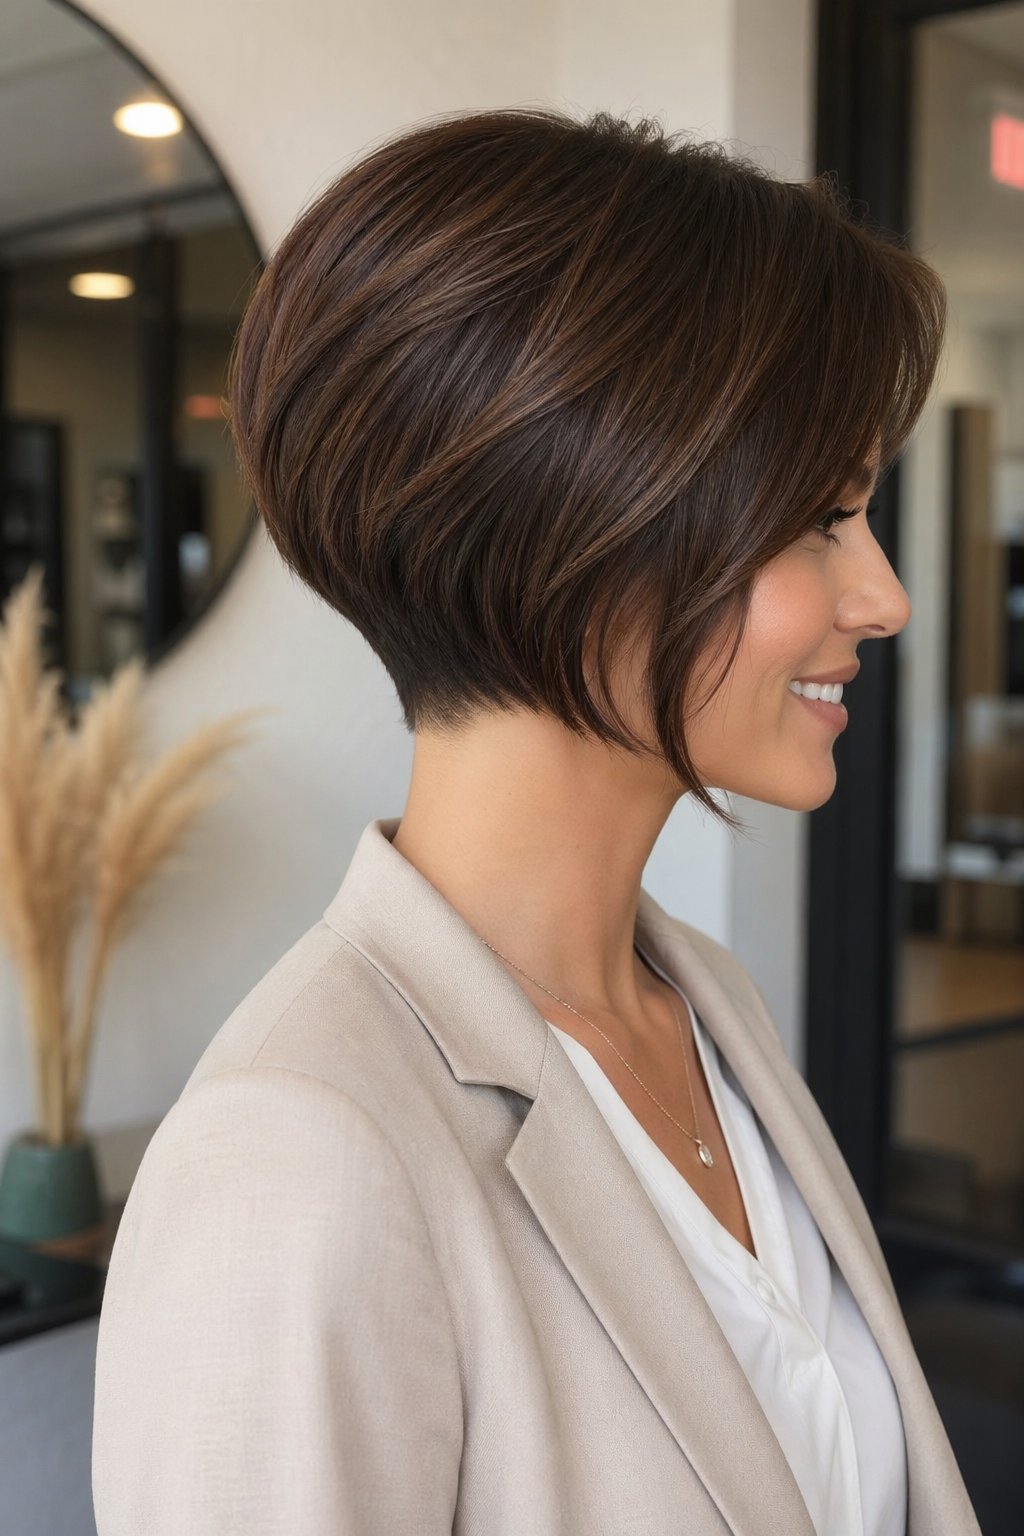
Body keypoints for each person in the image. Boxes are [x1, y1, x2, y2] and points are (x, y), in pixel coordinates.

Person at [91, 107, 982, 1535]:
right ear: (592, 528)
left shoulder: (711, 1006)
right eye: (824, 517)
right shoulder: (297, 1156)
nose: (883, 598)